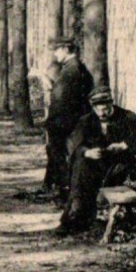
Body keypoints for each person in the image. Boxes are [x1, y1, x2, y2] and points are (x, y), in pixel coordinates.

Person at [57, 86, 136, 234]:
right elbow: (74, 144)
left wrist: (124, 145)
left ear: (111, 103)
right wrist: (87, 152)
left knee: (82, 173)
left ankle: (74, 218)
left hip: (118, 166)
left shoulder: (126, 117)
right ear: (93, 107)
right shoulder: (87, 121)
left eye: (107, 108)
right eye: (99, 109)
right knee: (81, 165)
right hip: (96, 164)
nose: (103, 112)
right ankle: (76, 217)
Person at [44, 37, 93, 203]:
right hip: (65, 123)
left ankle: (67, 195)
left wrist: (55, 123)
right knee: (61, 158)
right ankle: (63, 192)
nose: (55, 54)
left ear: (66, 49)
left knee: (65, 159)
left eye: (57, 50)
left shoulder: (73, 70)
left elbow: (67, 102)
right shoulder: (71, 68)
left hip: (66, 124)